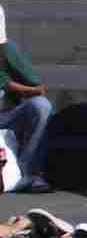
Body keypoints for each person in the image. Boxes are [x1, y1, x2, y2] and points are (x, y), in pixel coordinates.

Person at [0, 15, 54, 193]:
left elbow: (38, 87)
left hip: (5, 117)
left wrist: (7, 54)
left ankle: (30, 173)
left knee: (41, 106)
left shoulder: (6, 50)